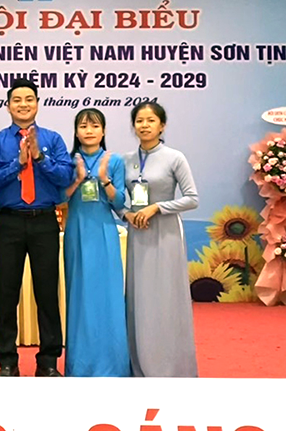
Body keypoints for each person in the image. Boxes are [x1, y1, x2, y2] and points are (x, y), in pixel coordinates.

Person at [0, 77, 72, 377]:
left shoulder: (53, 139)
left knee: (47, 293)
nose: (23, 104)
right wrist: (18, 163)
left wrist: (39, 157)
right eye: (17, 100)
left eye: (29, 99)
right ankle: (7, 361)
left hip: (45, 221)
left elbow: (64, 177)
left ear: (37, 104)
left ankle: (48, 362)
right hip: (8, 222)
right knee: (7, 292)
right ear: (8, 106)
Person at [121, 102, 199, 377]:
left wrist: (157, 207)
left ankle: (172, 367)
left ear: (162, 126)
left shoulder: (174, 157)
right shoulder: (126, 160)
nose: (144, 125)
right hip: (138, 234)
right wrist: (126, 214)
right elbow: (117, 197)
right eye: (139, 120)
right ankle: (140, 364)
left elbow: (192, 199)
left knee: (166, 297)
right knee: (140, 298)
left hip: (166, 234)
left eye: (151, 120)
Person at [62, 108, 129, 377]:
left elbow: (120, 201)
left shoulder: (114, 160)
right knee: (79, 297)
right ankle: (80, 366)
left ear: (104, 131)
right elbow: (59, 199)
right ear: (76, 132)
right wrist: (78, 179)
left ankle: (112, 365)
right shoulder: (69, 161)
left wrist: (104, 179)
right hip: (76, 233)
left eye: (94, 126)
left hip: (104, 232)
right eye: (83, 126)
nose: (89, 131)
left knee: (108, 297)